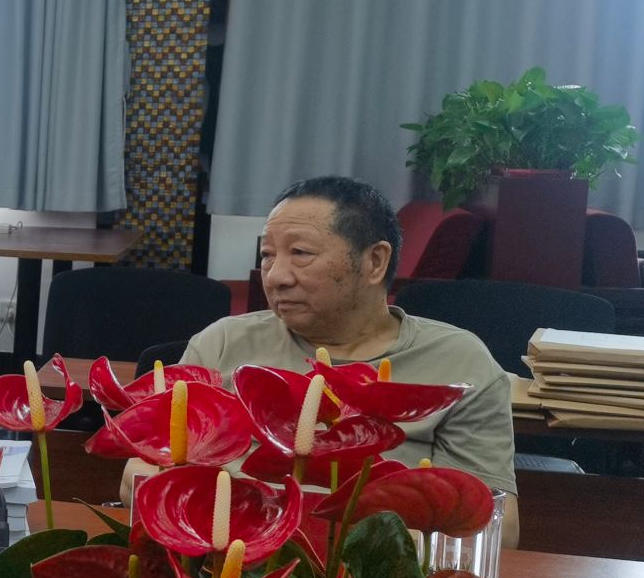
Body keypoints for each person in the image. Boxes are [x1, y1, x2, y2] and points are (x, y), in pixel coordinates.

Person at [179, 175, 520, 539]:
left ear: (374, 261)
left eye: (300, 253)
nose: (276, 277)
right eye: (267, 255)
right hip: (234, 559)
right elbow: (150, 478)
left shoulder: (459, 362)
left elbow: (494, 526)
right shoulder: (222, 344)